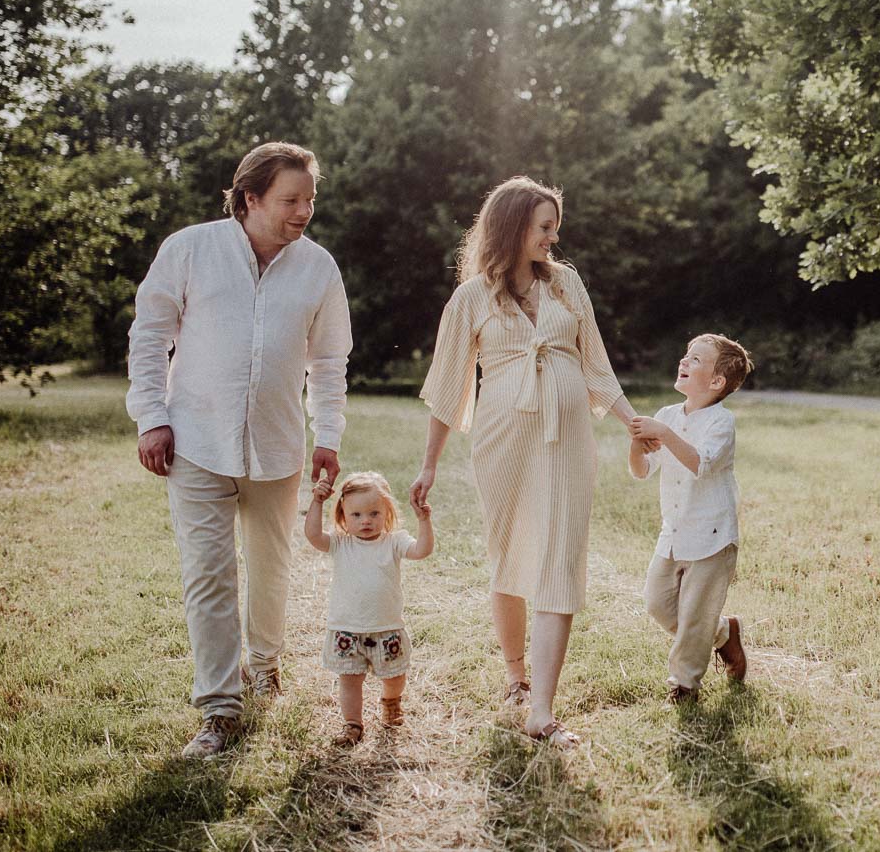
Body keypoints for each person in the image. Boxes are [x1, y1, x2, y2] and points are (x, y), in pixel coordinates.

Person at [126, 141, 352, 759]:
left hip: (278, 448)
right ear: (249, 198)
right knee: (208, 575)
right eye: (290, 200)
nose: (304, 211)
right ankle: (219, 709)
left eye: (310, 198)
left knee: (272, 568)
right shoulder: (189, 249)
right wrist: (152, 417)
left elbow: (329, 361)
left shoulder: (318, 268)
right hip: (194, 441)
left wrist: (327, 434)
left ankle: (266, 664)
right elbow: (149, 337)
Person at [410, 176, 637, 747]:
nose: (553, 236)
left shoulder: (568, 285)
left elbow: (597, 367)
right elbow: (447, 386)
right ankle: (516, 676)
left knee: (560, 555)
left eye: (554, 225)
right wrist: (429, 465)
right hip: (502, 440)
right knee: (509, 551)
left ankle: (542, 708)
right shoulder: (470, 298)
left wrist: (634, 423)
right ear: (512, 228)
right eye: (543, 226)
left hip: (567, 442)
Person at [628, 334, 752, 703]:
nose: (684, 361)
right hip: (674, 532)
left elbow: (700, 463)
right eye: (686, 355)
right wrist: (637, 446)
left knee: (695, 615)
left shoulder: (721, 422)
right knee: (658, 603)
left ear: (716, 382)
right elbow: (641, 471)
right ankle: (724, 635)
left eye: (695, 359)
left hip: (712, 537)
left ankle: (684, 685)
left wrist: (663, 434)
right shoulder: (667, 415)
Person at [305, 470, 434, 746]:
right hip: (346, 630)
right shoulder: (341, 542)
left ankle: (391, 700)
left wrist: (424, 520)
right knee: (350, 680)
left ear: (386, 512)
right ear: (343, 516)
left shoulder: (394, 541)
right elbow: (314, 536)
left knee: (395, 676)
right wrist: (317, 502)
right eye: (356, 515)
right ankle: (352, 723)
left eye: (374, 513)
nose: (365, 521)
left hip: (386, 628)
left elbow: (422, 550)